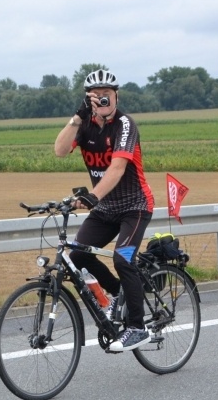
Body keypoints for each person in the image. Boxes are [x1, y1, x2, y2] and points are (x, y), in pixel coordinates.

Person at [54, 69, 154, 352]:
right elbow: (60, 150)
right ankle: (118, 295)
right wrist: (77, 116)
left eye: (107, 94)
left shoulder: (124, 124)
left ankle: (137, 328)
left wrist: (92, 197)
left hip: (135, 206)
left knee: (123, 259)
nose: (103, 99)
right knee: (77, 255)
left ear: (116, 95)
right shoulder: (84, 124)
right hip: (105, 208)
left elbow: (117, 168)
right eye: (96, 95)